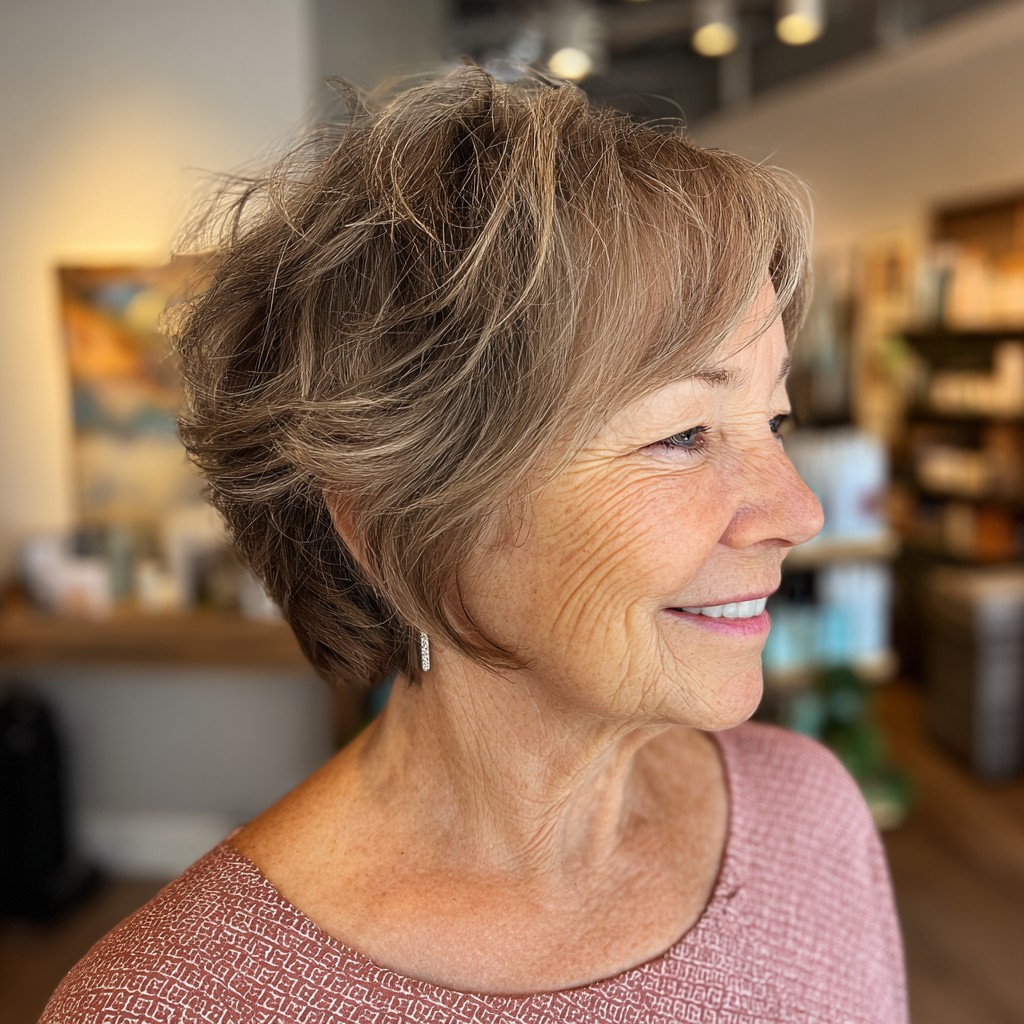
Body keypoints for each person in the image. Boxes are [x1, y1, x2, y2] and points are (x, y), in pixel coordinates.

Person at [41, 66, 907, 1023]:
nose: (797, 510)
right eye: (684, 434)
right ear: (395, 519)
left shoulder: (809, 817)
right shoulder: (174, 1005)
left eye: (774, 419)